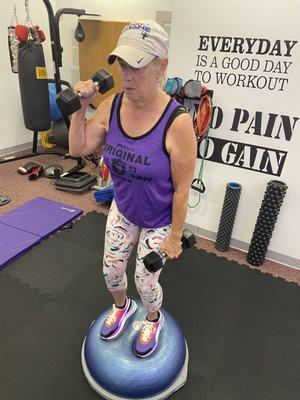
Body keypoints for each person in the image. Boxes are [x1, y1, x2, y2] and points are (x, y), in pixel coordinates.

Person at [69, 20, 197, 358]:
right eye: (123, 65)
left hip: (159, 218)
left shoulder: (177, 123)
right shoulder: (111, 106)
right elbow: (79, 148)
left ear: (161, 67)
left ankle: (152, 319)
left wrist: (174, 237)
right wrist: (79, 109)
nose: (128, 75)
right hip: (124, 210)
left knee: (145, 280)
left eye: (138, 65)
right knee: (111, 271)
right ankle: (123, 308)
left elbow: (183, 189)